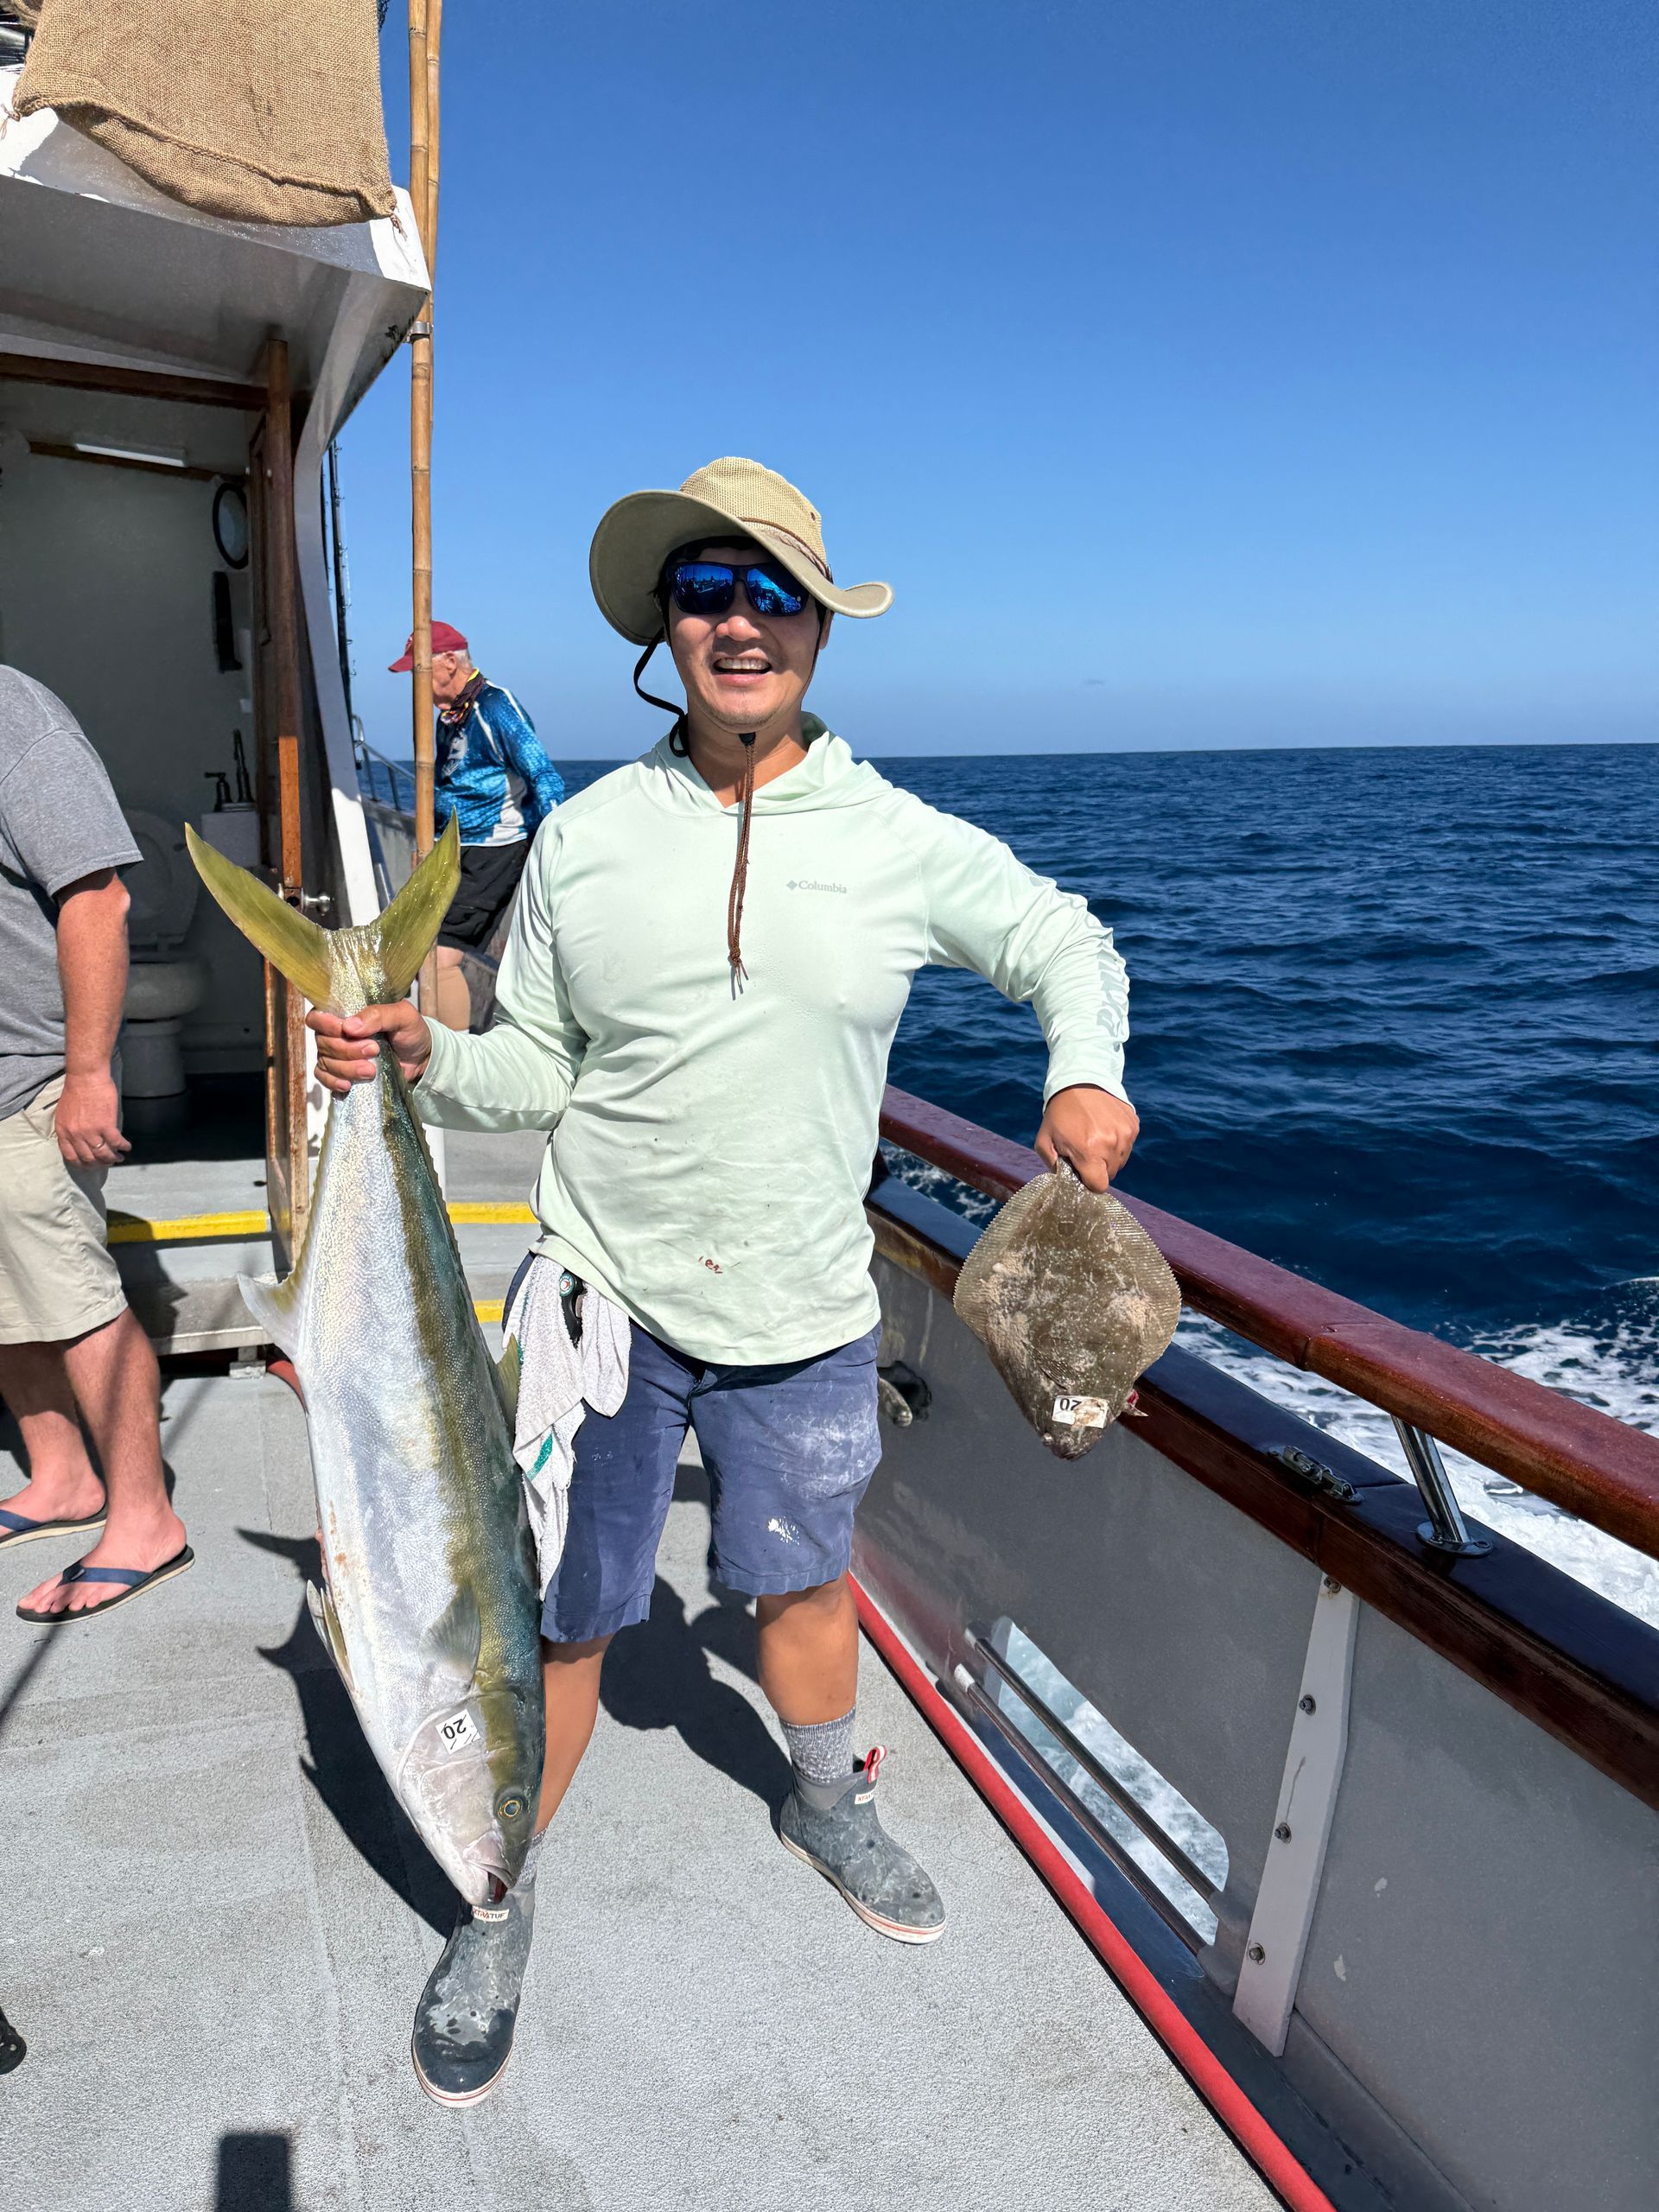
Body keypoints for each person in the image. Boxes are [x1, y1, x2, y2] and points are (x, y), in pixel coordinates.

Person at [314, 457, 1138, 2105]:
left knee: (805, 1586)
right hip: (606, 1298)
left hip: (809, 1310)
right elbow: (533, 1066)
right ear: (664, 626)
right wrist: (420, 1052)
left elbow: (1065, 941)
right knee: (559, 1620)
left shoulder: (897, 836)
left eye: (774, 593)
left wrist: (1087, 1069)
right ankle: (497, 1895)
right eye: (708, 588)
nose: (740, 621)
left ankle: (824, 1796)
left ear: (821, 630)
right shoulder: (593, 836)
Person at [0, 665, 191, 1623]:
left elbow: (98, 898)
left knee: (74, 1303)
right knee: (8, 1305)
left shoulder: (14, 718)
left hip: (31, 1079)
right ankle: (60, 1477)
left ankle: (145, 1518)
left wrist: (86, 1073)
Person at [387, 620, 563, 1031]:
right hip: (452, 849)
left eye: (419, 670)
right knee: (418, 951)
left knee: (441, 958)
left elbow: (543, 775)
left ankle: (454, 1062)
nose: (416, 682)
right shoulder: (450, 718)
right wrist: (428, 845)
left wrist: (559, 848)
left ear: (450, 662)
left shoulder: (496, 707)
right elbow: (443, 786)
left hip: (495, 849)